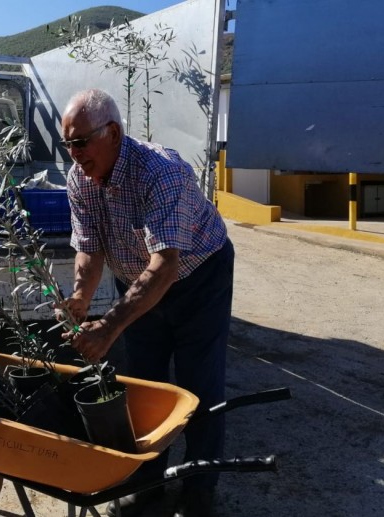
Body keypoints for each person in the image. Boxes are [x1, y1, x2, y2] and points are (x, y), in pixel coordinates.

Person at [57, 89, 234, 517]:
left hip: (199, 277)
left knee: (197, 387)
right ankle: (148, 484)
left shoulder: (161, 172)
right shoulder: (80, 178)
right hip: (137, 281)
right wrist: (81, 296)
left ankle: (198, 490)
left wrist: (111, 325)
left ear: (113, 133)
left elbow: (166, 265)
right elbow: (90, 247)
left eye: (81, 142)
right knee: (144, 384)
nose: (74, 153)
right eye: (68, 144)